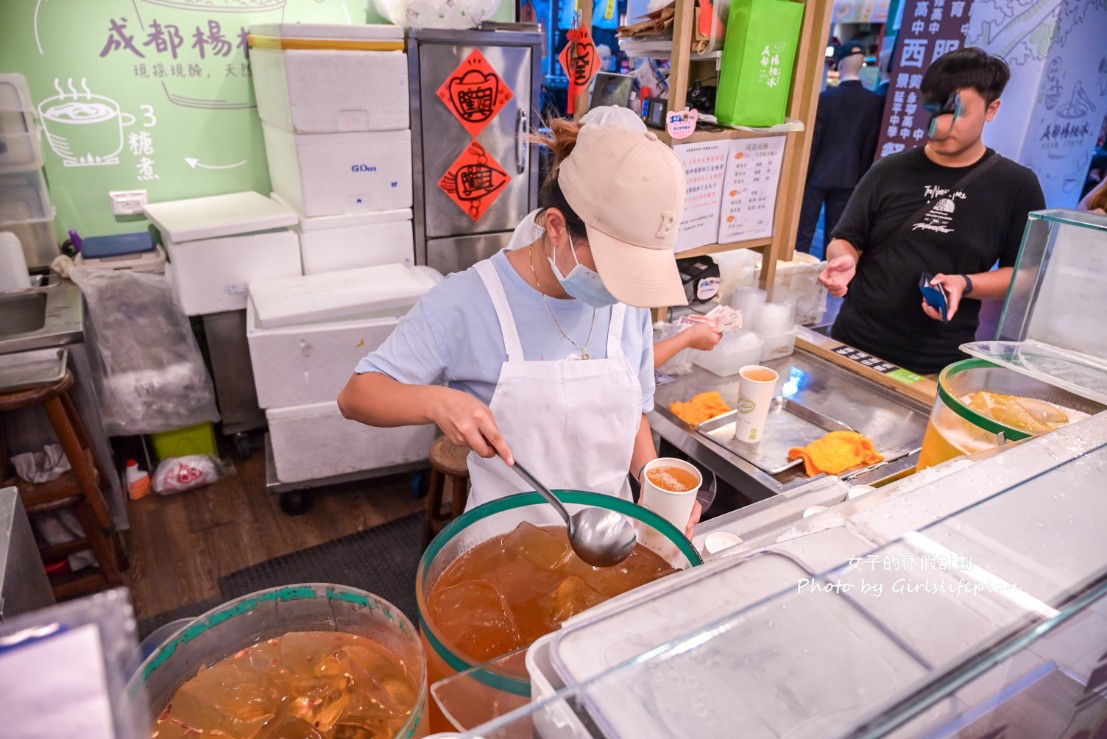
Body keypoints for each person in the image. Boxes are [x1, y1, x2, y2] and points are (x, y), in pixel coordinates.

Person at [337, 113, 702, 532]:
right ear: (556, 226)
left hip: (608, 536)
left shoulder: (628, 297)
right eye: (613, 267)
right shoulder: (468, 301)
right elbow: (356, 396)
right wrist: (437, 403)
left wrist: (652, 482)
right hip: (504, 550)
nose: (622, 288)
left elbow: (632, 411)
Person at [818, 48, 1046, 375]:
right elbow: (847, 238)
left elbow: (1024, 275)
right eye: (934, 110)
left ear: (992, 109)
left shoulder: (1016, 186)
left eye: (956, 112)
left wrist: (965, 284)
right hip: (853, 344)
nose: (940, 126)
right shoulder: (889, 170)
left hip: (936, 360)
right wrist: (844, 260)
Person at [795, 40, 885, 255]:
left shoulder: (826, 99)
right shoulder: (874, 102)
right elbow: (869, 144)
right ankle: (829, 277)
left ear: (839, 64)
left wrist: (804, 174)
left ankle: (796, 275)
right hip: (851, 177)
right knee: (836, 234)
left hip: (817, 174)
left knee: (803, 232)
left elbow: (814, 141)